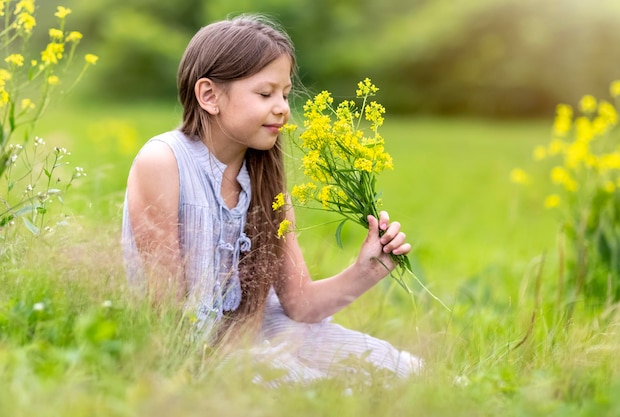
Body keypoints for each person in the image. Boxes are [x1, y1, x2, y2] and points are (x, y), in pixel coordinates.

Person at [121, 14, 423, 385]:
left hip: (261, 331)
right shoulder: (164, 162)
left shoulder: (266, 181)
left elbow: (300, 304)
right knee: (317, 388)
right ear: (209, 96)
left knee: (398, 370)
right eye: (265, 94)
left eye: (284, 92)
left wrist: (366, 270)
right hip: (195, 348)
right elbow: (164, 310)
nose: (283, 107)